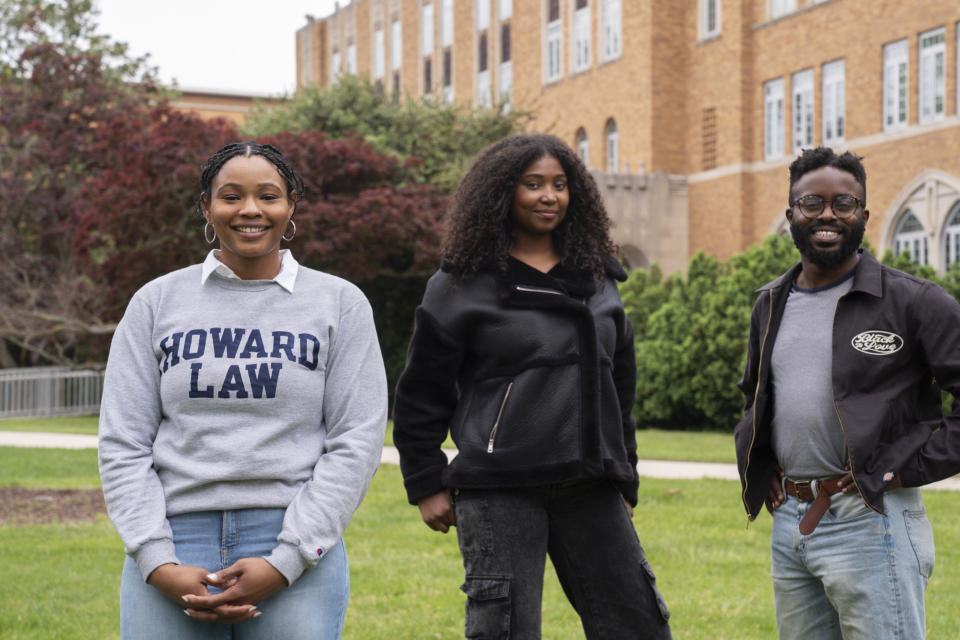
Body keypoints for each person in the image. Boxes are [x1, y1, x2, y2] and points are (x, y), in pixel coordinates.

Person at [98, 141, 387, 639]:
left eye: (268, 196)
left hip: (292, 537)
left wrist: (288, 559)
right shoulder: (156, 302)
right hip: (173, 538)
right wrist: (157, 560)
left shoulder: (340, 303)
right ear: (207, 207)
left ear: (291, 204)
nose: (250, 210)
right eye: (231, 196)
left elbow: (357, 440)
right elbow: (124, 441)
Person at [392, 133, 672, 639]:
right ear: (504, 193)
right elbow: (421, 391)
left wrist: (624, 473)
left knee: (639, 624)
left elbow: (618, 388)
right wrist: (426, 481)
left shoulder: (601, 278)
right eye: (533, 184)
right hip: (499, 486)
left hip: (591, 484)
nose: (549, 196)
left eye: (560, 185)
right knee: (505, 631)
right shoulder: (460, 284)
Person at [734, 146, 960, 639]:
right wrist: (764, 460)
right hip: (792, 523)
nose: (828, 215)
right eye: (812, 203)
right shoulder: (771, 302)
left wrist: (902, 467)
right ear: (792, 214)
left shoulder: (915, 302)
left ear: (864, 215)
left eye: (845, 203)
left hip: (873, 519)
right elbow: (756, 396)